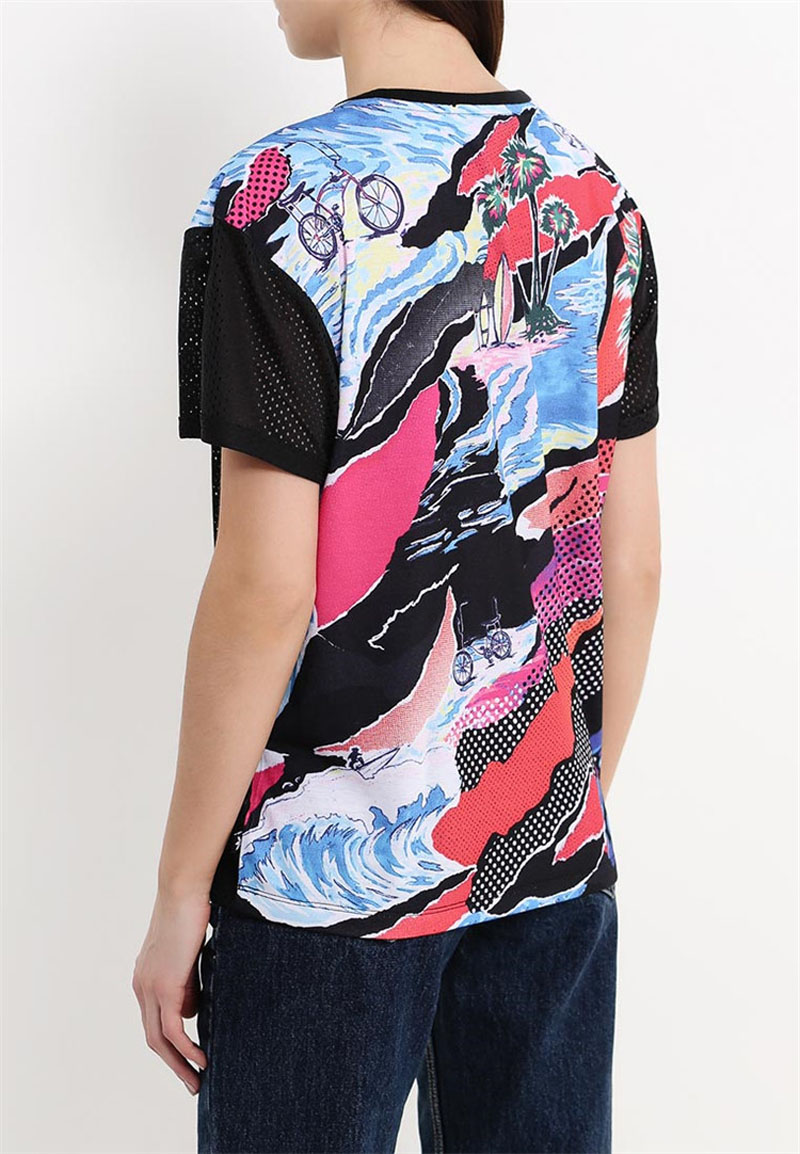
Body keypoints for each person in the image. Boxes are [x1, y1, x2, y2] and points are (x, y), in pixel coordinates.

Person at [132, 1, 661, 1150]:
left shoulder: (271, 200)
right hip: (545, 858)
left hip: (322, 889)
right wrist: (555, 814)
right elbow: (627, 559)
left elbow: (267, 588)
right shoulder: (595, 199)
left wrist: (178, 894)